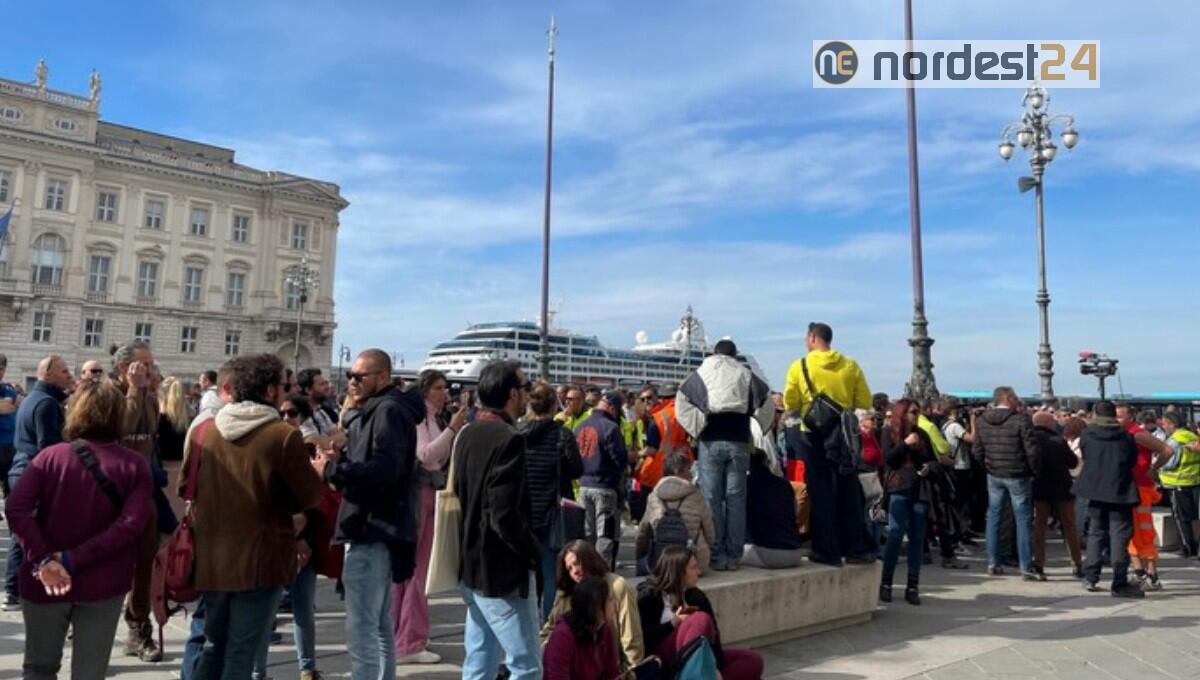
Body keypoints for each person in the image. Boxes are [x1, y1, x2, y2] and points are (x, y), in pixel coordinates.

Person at [184, 354, 326, 678]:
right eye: (283, 385)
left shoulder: (203, 431)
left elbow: (186, 488)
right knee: (241, 650)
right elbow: (309, 497)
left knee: (213, 644)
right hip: (261, 561)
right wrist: (318, 472)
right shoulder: (281, 434)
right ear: (271, 390)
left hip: (212, 558)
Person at [5, 379, 154, 680]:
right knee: (89, 673)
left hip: (44, 580)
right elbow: (130, 525)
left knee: (38, 668)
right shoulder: (135, 464)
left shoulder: (50, 457)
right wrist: (70, 559)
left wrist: (46, 559)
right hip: (103, 581)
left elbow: (15, 508)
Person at [322, 349, 423, 680]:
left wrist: (334, 469)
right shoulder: (382, 409)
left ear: (382, 376)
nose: (351, 382)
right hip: (379, 527)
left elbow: (386, 469)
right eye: (350, 376)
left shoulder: (388, 410)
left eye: (359, 376)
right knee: (378, 626)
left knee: (362, 627)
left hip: (372, 528)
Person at [454, 360, 542, 680]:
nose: (528, 396)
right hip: (500, 569)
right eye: (526, 388)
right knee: (526, 665)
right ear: (512, 394)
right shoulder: (509, 439)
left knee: (480, 658)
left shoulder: (466, 432)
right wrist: (532, 551)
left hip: (470, 563)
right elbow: (503, 513)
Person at [390, 369, 469, 665]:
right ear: (424, 391)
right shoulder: (422, 417)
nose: (444, 393)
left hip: (423, 492)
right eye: (438, 388)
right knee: (417, 569)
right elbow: (425, 455)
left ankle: (404, 633)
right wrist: (452, 430)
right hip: (421, 492)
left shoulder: (431, 416)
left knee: (411, 569)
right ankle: (409, 639)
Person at [782, 322, 875, 566]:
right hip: (842, 433)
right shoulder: (850, 365)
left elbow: (790, 401)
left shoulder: (799, 366)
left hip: (811, 434)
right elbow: (864, 399)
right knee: (847, 488)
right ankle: (855, 547)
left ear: (812, 337)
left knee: (820, 491)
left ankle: (827, 550)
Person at [676, 338, 774, 571]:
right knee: (736, 500)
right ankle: (734, 556)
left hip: (710, 441)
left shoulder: (702, 370)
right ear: (735, 354)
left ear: (713, 352)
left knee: (712, 499)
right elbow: (766, 400)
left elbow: (682, 399)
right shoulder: (745, 372)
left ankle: (716, 554)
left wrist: (697, 425)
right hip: (739, 442)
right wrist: (761, 423)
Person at [5, 354, 72, 611]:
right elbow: (48, 449)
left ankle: (12, 590)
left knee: (21, 535)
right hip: (33, 474)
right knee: (30, 536)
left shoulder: (34, 398)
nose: (69, 375)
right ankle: (15, 589)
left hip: (21, 471)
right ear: (48, 374)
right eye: (64, 372)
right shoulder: (46, 403)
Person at [636, 547, 763, 679]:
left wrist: (715, 668)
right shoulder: (650, 596)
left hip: (700, 658)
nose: (699, 572)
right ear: (678, 571)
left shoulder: (697, 596)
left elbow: (714, 638)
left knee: (752, 660)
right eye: (693, 568)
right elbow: (643, 639)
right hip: (665, 660)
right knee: (699, 619)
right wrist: (672, 624)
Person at [520, 381, 583, 622]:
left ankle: (527, 625)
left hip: (525, 512)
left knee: (529, 574)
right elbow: (577, 469)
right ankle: (547, 626)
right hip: (553, 513)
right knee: (549, 573)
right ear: (553, 405)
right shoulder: (561, 434)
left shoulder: (519, 434)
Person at [1074, 401, 1143, 598]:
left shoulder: (1087, 434)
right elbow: (1131, 460)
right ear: (1114, 415)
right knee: (1119, 536)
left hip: (1095, 490)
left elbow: (1086, 455)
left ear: (1096, 414)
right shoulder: (1126, 437)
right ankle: (1119, 582)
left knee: (1096, 533)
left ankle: (1090, 577)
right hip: (1120, 491)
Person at [540, 540, 644, 670]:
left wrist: (631, 673)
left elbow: (631, 639)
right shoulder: (566, 593)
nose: (575, 571)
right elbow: (549, 629)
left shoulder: (617, 586)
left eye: (577, 564)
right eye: (569, 568)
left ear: (589, 559)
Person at [973, 386, 1041, 580]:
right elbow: (1031, 450)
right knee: (1023, 519)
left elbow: (977, 451)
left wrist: (987, 466)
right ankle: (1026, 566)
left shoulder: (981, 420)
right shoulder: (1020, 420)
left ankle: (993, 562)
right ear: (1008, 398)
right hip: (1017, 473)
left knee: (994, 516)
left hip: (994, 473)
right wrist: (1033, 470)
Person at [879, 399, 935, 605]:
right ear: (902, 413)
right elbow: (888, 459)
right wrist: (905, 444)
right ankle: (886, 582)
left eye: (918, 412)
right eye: (913, 412)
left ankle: (913, 584)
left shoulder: (922, 434)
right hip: (898, 488)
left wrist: (928, 467)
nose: (916, 415)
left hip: (919, 489)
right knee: (895, 534)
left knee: (917, 538)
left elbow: (931, 458)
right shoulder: (888, 433)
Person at [1116, 404, 1174, 591]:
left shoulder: (1138, 434)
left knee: (1144, 530)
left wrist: (1153, 469)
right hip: (1130, 486)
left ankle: (1151, 574)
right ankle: (1140, 571)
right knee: (1130, 531)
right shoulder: (1125, 434)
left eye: (1120, 416)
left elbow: (1167, 450)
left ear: (1131, 417)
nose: (1116, 420)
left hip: (1140, 487)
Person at [576, 390, 632, 570]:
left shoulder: (581, 426)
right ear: (613, 408)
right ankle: (602, 575)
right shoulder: (610, 427)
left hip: (583, 486)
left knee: (587, 534)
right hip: (605, 486)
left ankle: (585, 572)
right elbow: (620, 459)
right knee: (605, 536)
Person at [636, 453, 715, 574]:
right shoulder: (696, 496)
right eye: (688, 470)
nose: (691, 474)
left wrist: (640, 556)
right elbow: (710, 533)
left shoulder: (654, 496)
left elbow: (643, 534)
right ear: (677, 471)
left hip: (664, 564)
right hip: (694, 565)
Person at [1031, 411, 1083, 578]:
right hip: (1062, 488)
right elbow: (1073, 462)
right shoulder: (1058, 440)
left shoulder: (1030, 439)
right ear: (1048, 423)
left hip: (1039, 487)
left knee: (1040, 527)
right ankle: (1077, 564)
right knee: (1069, 526)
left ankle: (1038, 563)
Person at [542, 576, 621, 680]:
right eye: (610, 600)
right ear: (595, 607)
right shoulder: (563, 636)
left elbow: (611, 673)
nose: (616, 603)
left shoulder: (604, 630)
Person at [744, 448, 805, 569]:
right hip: (796, 552)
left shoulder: (746, 485)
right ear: (767, 462)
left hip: (768, 554)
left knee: (731, 554)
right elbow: (795, 513)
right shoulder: (785, 484)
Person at [1160, 412, 1200, 558]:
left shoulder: (1174, 440)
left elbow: (1169, 463)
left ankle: (1187, 548)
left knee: (1181, 518)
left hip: (1177, 483)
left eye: (1165, 424)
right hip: (1194, 481)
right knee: (1194, 517)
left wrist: (1156, 465)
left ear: (1173, 424)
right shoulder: (1193, 436)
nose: (1163, 427)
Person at [0, 353, 19, 498]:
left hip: (10, 446)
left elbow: (13, 405)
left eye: (1, 368)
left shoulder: (8, 390)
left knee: (11, 490)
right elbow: (6, 406)